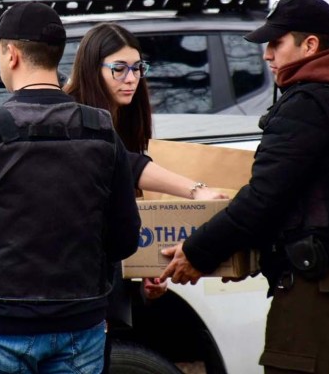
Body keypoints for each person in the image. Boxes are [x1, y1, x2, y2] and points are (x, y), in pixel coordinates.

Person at [160, 0, 329, 373]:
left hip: (321, 287)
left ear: (310, 45)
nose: (267, 55)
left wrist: (197, 251)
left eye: (276, 43)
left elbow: (264, 198)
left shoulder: (309, 104)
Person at [0, 2, 141, 373]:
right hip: (80, 330)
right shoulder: (102, 132)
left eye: (0, 53)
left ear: (12, 53)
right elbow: (124, 239)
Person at [64, 22, 227, 371]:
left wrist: (143, 277)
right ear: (93, 69)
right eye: (119, 68)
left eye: (137, 68)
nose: (131, 78)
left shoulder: (124, 117)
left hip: (104, 282)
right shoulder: (73, 116)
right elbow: (126, 164)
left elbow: (123, 207)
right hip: (75, 289)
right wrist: (196, 190)